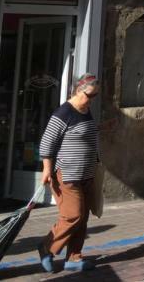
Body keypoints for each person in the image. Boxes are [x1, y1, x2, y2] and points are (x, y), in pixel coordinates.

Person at [38, 73, 100, 273]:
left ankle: (74, 258)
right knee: (72, 215)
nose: (91, 100)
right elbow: (46, 144)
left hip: (86, 173)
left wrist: (102, 128)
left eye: (95, 96)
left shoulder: (85, 111)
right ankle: (47, 247)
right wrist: (47, 170)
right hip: (67, 174)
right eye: (89, 95)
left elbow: (81, 135)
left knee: (82, 218)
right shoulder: (63, 113)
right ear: (78, 91)